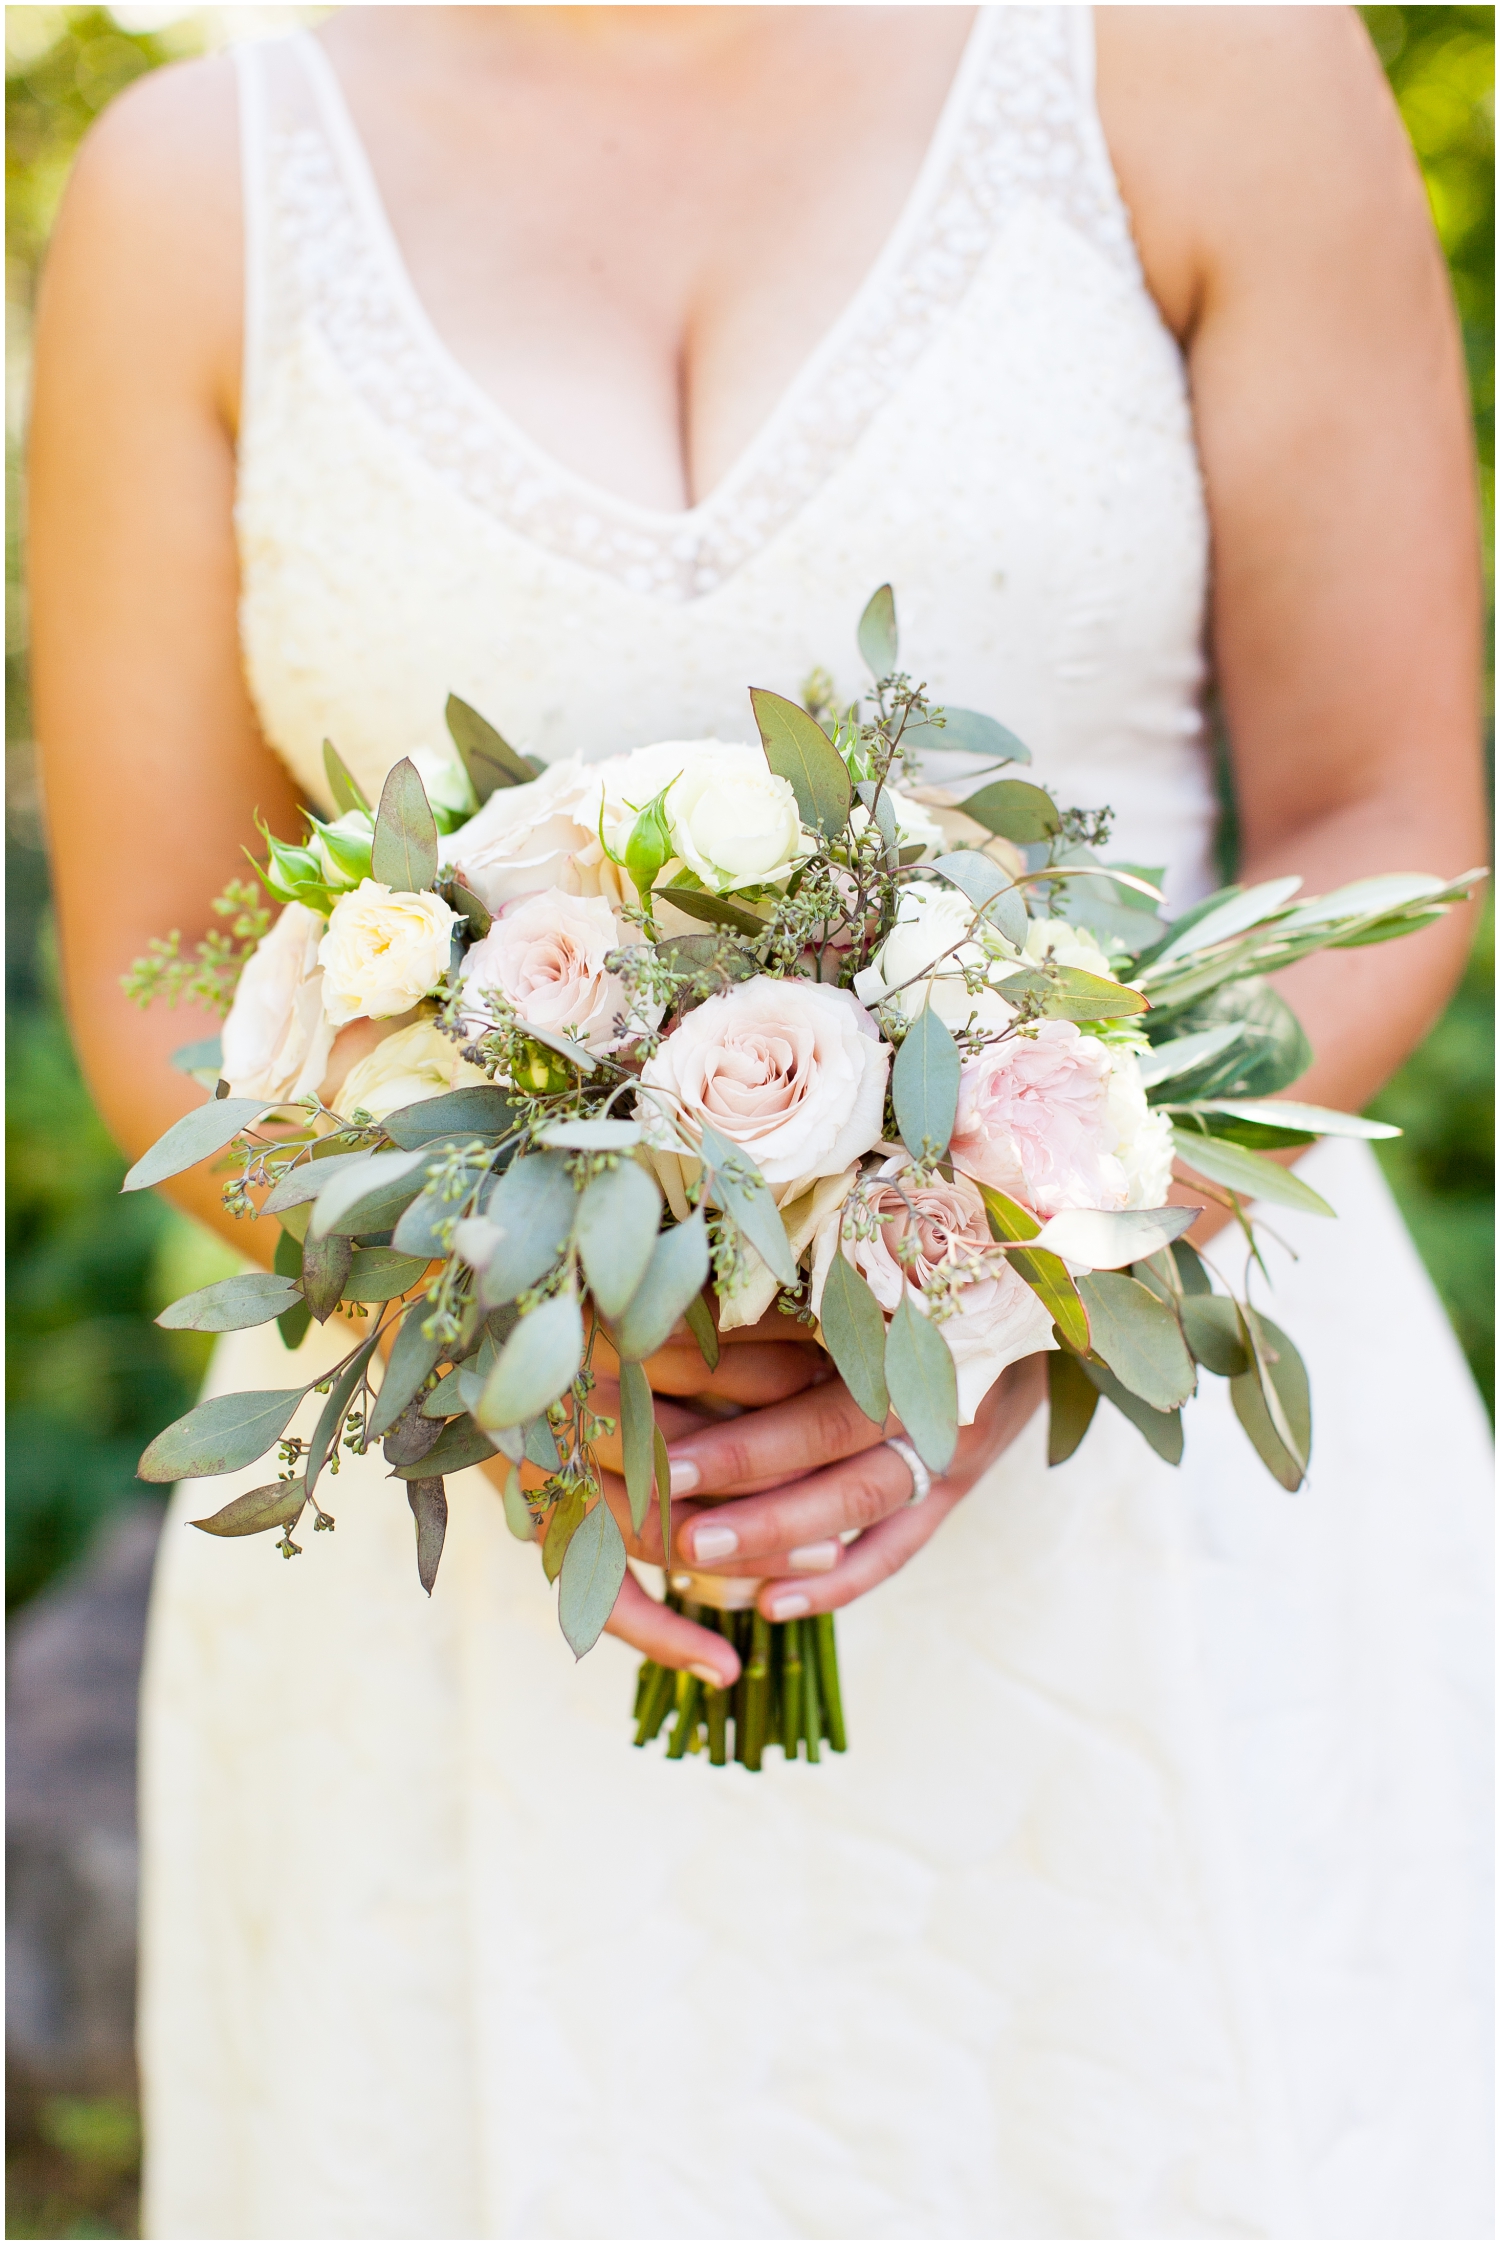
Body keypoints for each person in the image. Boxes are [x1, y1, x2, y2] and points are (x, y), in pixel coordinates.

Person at [29, 6, 1491, 2236]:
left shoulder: (1199, 63)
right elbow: (168, 961)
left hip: (1138, 1500)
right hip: (479, 1571)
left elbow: (1382, 817)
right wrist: (509, 1345)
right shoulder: (186, 185)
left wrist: (1009, 1285)